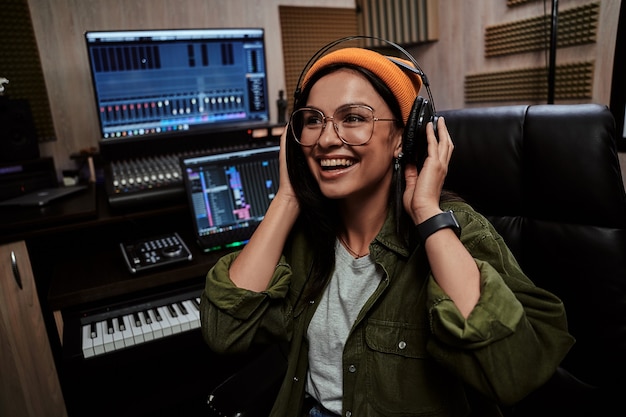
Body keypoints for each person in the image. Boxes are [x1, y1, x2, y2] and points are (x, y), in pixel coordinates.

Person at [200, 43, 575, 417]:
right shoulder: (305, 235)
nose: (327, 139)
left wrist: (428, 215)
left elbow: (515, 371)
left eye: (353, 118)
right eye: (313, 120)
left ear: (402, 138)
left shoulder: (456, 229)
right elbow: (224, 333)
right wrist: (287, 198)